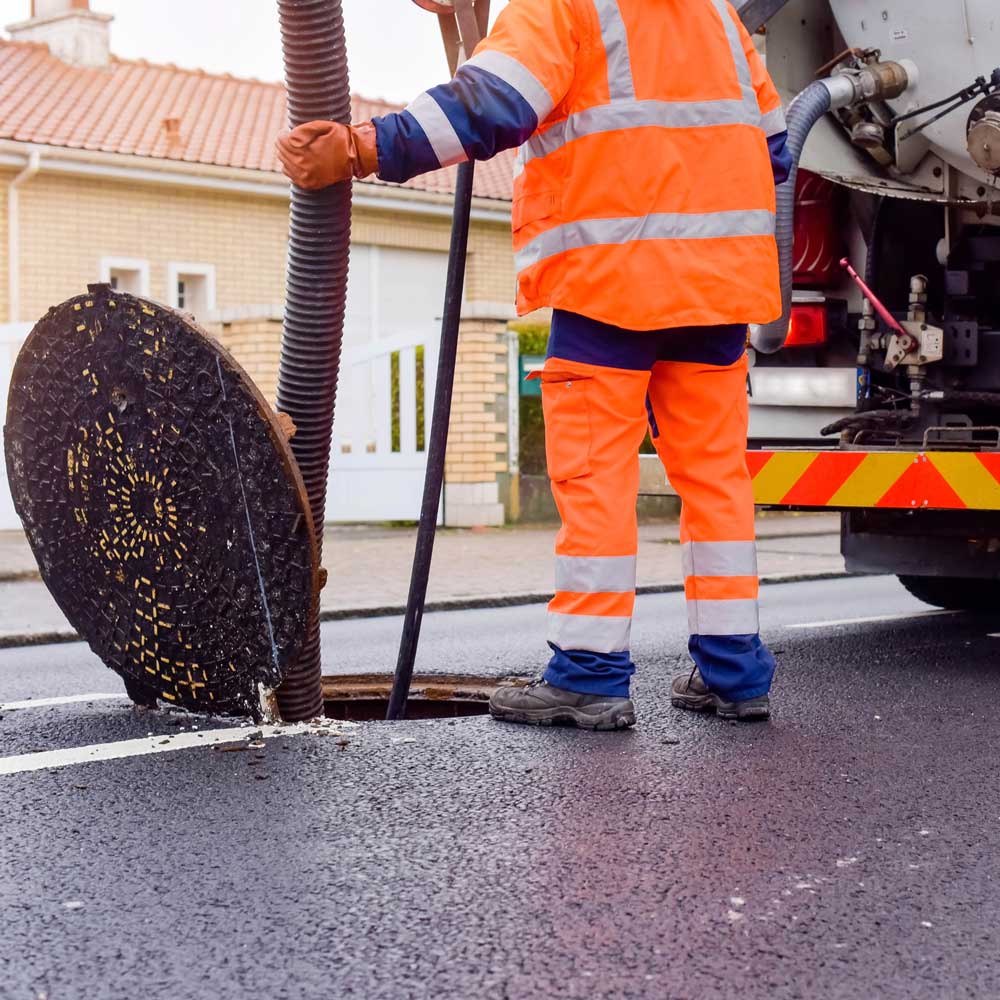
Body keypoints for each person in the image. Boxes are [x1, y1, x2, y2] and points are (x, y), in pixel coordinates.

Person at [277, 0, 792, 731]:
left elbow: (494, 103)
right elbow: (772, 147)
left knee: (596, 481)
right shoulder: (716, 17)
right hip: (719, 290)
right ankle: (735, 675)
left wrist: (363, 148)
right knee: (716, 482)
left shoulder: (568, 4)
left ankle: (588, 675)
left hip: (611, 284)